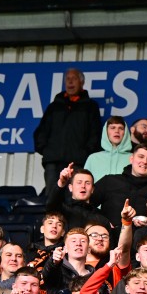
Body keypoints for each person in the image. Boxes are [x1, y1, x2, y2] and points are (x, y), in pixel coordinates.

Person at [34, 68, 103, 197]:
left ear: (82, 82)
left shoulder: (90, 106)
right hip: (53, 163)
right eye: (68, 79)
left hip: (78, 163)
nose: (70, 82)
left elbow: (95, 134)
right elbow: (41, 131)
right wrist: (45, 150)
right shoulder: (54, 106)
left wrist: (85, 152)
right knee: (52, 199)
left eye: (74, 78)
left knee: (74, 199)